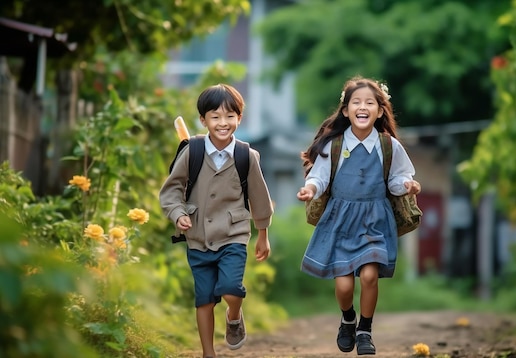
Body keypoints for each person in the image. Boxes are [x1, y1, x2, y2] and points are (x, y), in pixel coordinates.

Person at [296, 76, 421, 355]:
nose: (362, 107)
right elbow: (319, 177)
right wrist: (309, 189)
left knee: (368, 276)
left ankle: (365, 329)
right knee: (342, 286)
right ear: (345, 111)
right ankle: (348, 318)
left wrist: (408, 185)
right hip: (340, 221)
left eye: (370, 103)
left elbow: (397, 179)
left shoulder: (389, 146)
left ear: (379, 110)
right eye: (356, 102)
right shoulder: (335, 145)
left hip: (374, 220)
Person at [160, 83, 273, 358]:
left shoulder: (247, 156)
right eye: (215, 116)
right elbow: (172, 189)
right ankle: (208, 353)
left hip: (233, 234)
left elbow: (259, 197)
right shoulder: (192, 151)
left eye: (229, 116)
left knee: (232, 289)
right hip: (197, 238)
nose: (223, 123)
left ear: (239, 118)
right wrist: (178, 214)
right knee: (205, 300)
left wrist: (263, 234)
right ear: (203, 120)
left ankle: (234, 316)